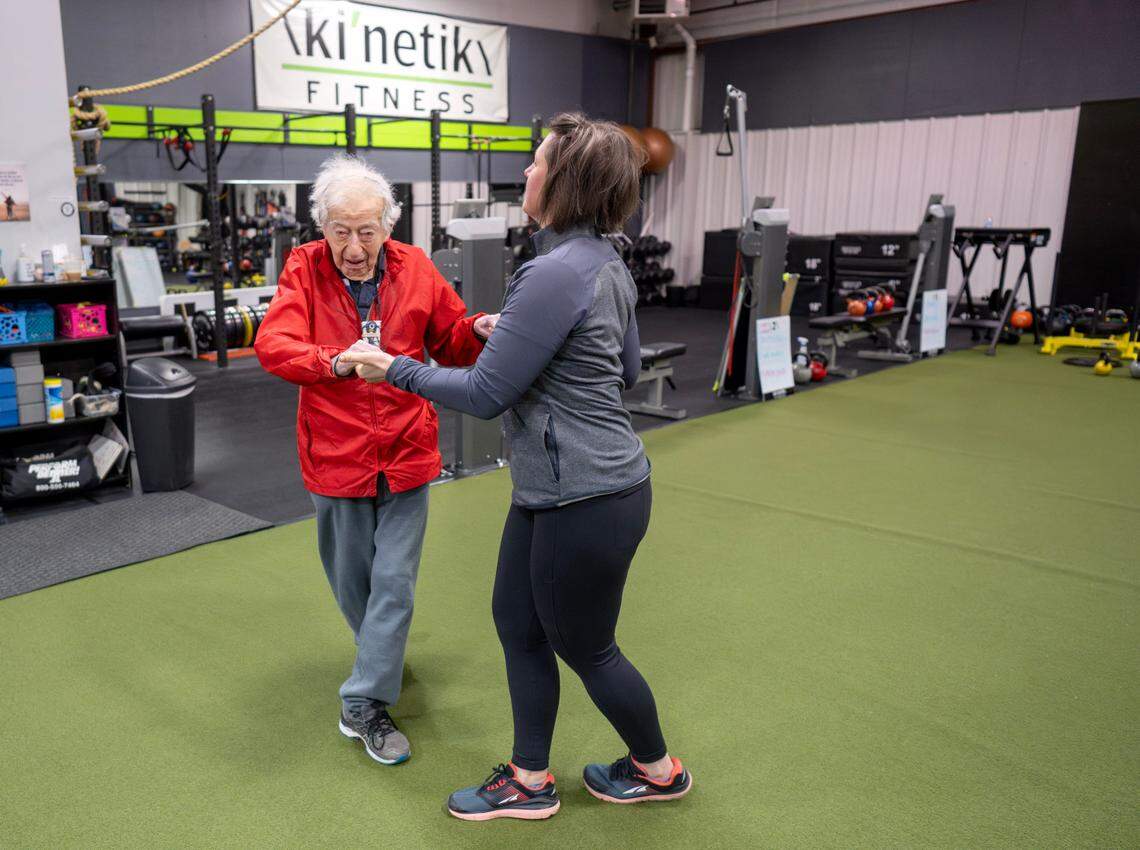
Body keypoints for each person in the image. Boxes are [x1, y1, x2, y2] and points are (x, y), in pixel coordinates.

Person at [338, 114, 691, 821]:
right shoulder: (600, 259)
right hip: (559, 488)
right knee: (518, 625)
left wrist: (392, 367)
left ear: (564, 183)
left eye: (535, 165)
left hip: (585, 494)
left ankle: (658, 769)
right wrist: (524, 333)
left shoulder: (554, 271)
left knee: (589, 648)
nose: (526, 174)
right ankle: (530, 781)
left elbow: (484, 392)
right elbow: (619, 365)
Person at [255, 154, 498, 767]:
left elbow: (449, 336)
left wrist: (485, 326)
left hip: (408, 448)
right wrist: (334, 360)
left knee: (394, 582)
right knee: (353, 584)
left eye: (367, 230)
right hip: (336, 456)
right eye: (341, 230)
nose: (354, 246)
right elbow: (274, 345)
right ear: (322, 227)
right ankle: (380, 657)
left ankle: (362, 702)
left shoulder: (414, 266)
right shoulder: (302, 268)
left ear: (389, 226)